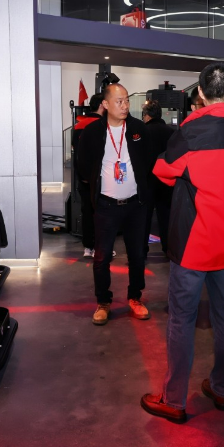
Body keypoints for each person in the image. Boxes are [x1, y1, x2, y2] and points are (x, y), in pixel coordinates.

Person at [140, 62, 224, 423]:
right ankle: (221, 388)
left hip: (194, 243)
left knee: (181, 320)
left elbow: (163, 170)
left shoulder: (192, 131)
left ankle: (174, 399)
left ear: (201, 94)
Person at [77, 84, 154, 325]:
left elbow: (149, 160)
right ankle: (103, 302)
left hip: (135, 205)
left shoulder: (139, 129)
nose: (125, 106)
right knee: (101, 257)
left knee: (137, 255)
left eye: (127, 100)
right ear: (106, 104)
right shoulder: (92, 132)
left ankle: (135, 298)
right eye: (119, 101)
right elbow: (83, 166)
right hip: (106, 206)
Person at [75, 93, 106, 257]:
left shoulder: (78, 125)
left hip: (83, 178)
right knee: (102, 213)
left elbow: (77, 154)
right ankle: (101, 247)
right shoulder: (102, 125)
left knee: (87, 211)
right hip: (100, 178)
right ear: (102, 105)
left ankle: (88, 247)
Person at [141, 99, 174, 253]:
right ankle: (168, 248)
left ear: (147, 116)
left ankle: (142, 249)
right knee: (165, 215)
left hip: (147, 180)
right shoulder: (171, 132)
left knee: (144, 216)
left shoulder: (143, 131)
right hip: (166, 179)